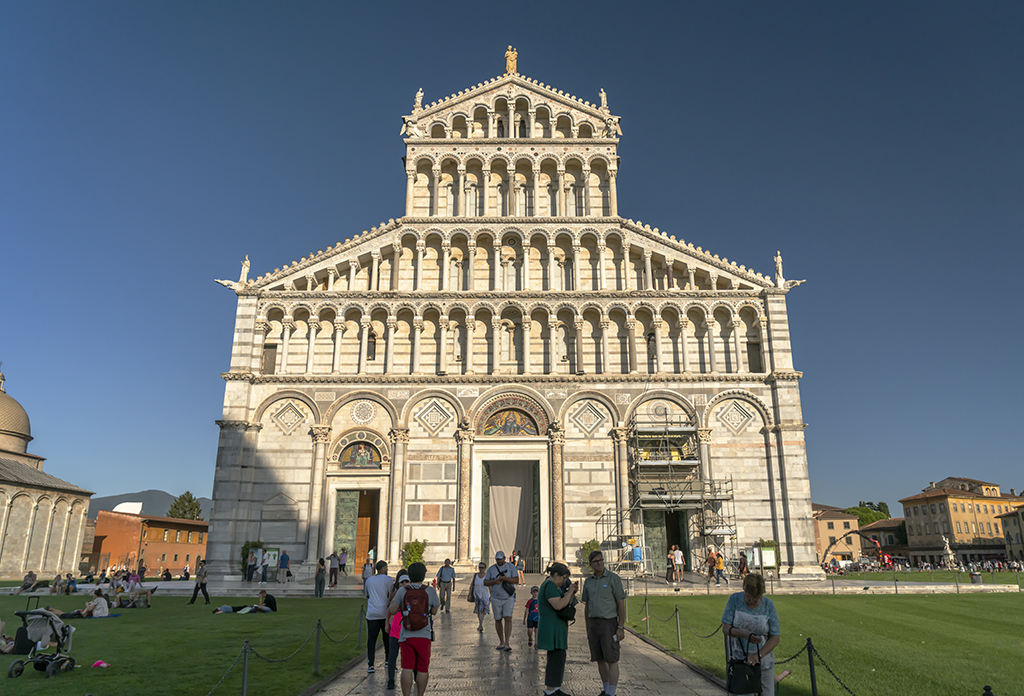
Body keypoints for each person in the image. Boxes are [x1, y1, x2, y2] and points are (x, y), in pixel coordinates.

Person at [721, 574, 781, 696]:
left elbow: (775, 637)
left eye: (757, 598)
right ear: (744, 588)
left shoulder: (768, 605)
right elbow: (725, 628)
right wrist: (743, 633)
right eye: (750, 597)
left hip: (763, 661)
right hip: (740, 661)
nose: (753, 601)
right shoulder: (734, 600)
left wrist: (757, 656)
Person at [387, 562, 439, 696]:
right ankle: (420, 694)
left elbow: (392, 610)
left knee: (407, 667)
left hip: (407, 634)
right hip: (424, 634)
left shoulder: (403, 591)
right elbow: (434, 611)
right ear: (424, 575)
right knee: (422, 668)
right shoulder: (430, 590)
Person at [581, 550, 627, 696]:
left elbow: (621, 604)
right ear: (591, 565)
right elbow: (587, 606)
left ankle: (612, 693)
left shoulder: (613, 579)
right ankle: (606, 689)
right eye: (596, 561)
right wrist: (587, 627)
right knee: (599, 658)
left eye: (601, 560)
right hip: (594, 624)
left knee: (612, 658)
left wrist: (620, 627)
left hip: (609, 623)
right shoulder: (588, 582)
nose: (600, 563)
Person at [538, 562, 577, 696]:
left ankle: (555, 688)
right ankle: (550, 690)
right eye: (563, 578)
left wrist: (571, 593)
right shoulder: (549, 586)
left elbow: (566, 602)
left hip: (557, 628)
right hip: (552, 628)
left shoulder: (554, 586)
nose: (564, 581)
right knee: (555, 659)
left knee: (559, 658)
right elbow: (559, 605)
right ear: (556, 575)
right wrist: (570, 592)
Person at [484, 550, 519, 651]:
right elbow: (485, 582)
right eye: (497, 560)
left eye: (500, 559)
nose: (499, 561)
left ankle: (507, 642)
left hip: (508, 597)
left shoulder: (511, 567)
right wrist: (495, 581)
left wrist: (505, 579)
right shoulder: (491, 569)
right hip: (496, 597)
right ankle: (501, 641)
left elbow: (516, 580)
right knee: (498, 619)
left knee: (508, 618)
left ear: (504, 558)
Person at [365, 561, 392, 674]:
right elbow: (390, 595)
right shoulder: (388, 580)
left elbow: (367, 595)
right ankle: (387, 661)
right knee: (387, 639)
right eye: (386, 567)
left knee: (371, 640)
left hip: (372, 613)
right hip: (384, 613)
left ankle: (371, 664)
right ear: (383, 568)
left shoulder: (369, 580)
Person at [386, 572, 410, 690]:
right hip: (396, 628)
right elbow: (389, 610)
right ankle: (391, 679)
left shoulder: (412, 595)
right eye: (402, 582)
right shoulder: (396, 595)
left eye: (407, 582)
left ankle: (413, 676)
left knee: (409, 656)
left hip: (408, 629)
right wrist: (387, 624)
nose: (404, 584)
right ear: (399, 584)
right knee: (392, 655)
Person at [471, 561, 489, 632]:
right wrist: (470, 593)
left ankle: (480, 625)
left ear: (485, 568)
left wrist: (491, 595)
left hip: (484, 595)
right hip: (477, 595)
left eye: (482, 567)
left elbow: (489, 585)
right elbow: (472, 584)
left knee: (482, 610)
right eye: (480, 567)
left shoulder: (487, 576)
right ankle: (480, 623)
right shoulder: (475, 575)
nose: (481, 569)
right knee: (479, 611)